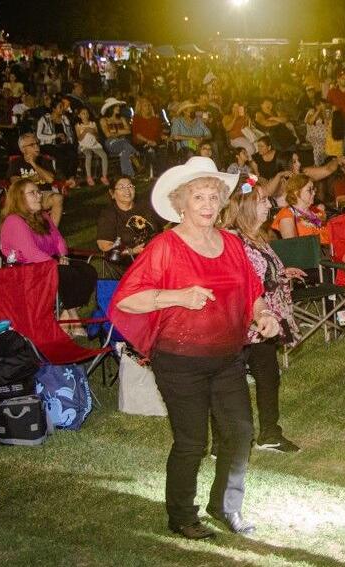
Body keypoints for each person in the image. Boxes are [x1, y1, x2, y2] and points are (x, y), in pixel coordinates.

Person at [110, 158, 278, 539]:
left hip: (228, 358)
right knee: (192, 442)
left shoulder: (232, 243)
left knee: (240, 431)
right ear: (180, 204)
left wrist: (263, 315)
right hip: (180, 360)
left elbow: (253, 293)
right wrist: (177, 296)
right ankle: (182, 515)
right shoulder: (165, 246)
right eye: (197, 197)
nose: (206, 204)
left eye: (212, 196)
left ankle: (225, 506)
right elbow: (127, 300)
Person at [220, 179, 302, 453]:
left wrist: (281, 274)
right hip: (241, 325)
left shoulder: (259, 237)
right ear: (246, 207)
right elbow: (237, 282)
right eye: (263, 201)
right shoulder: (232, 240)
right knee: (229, 383)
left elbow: (263, 273)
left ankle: (269, 433)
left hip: (263, 325)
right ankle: (223, 442)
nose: (269, 205)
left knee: (268, 377)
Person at [0, 179, 99, 329]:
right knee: (67, 274)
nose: (39, 196)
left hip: (48, 262)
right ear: (19, 197)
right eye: (32, 193)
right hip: (26, 269)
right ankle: (74, 320)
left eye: (38, 192)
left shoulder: (43, 216)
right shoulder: (14, 220)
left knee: (87, 270)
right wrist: (56, 263)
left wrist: (63, 256)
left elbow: (58, 239)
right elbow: (30, 252)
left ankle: (66, 314)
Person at [96, 177, 164, 266]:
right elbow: (104, 246)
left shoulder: (145, 206)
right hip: (129, 261)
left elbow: (164, 227)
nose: (127, 190)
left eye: (130, 186)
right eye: (122, 187)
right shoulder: (109, 215)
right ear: (112, 193)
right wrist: (131, 251)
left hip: (157, 253)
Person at [8, 133, 65, 226]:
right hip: (25, 196)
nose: (37, 146)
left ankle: (53, 232)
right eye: (32, 145)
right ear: (23, 149)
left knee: (58, 198)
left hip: (43, 194)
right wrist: (34, 179)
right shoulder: (16, 162)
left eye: (37, 143)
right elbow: (14, 181)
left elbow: (50, 179)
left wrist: (33, 163)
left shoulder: (44, 160)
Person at [271, 173, 332, 245]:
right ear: (296, 193)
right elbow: (294, 247)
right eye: (309, 190)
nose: (314, 193)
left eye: (313, 189)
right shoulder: (287, 214)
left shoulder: (315, 211)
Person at [99, 98, 139, 178]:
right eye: (116, 106)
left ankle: (129, 175)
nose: (118, 108)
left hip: (123, 142)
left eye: (118, 106)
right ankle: (136, 160)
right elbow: (107, 134)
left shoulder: (122, 119)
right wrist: (120, 132)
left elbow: (128, 131)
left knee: (125, 152)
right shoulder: (104, 120)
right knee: (125, 143)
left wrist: (115, 133)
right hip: (111, 143)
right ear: (110, 108)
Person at [75, 107, 108, 187]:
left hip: (94, 144)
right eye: (83, 113)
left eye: (87, 113)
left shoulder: (93, 124)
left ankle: (104, 176)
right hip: (85, 145)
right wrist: (85, 131)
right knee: (88, 155)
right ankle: (89, 177)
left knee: (104, 156)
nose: (85, 115)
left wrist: (93, 132)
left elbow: (97, 137)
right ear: (79, 115)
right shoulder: (78, 125)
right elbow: (79, 138)